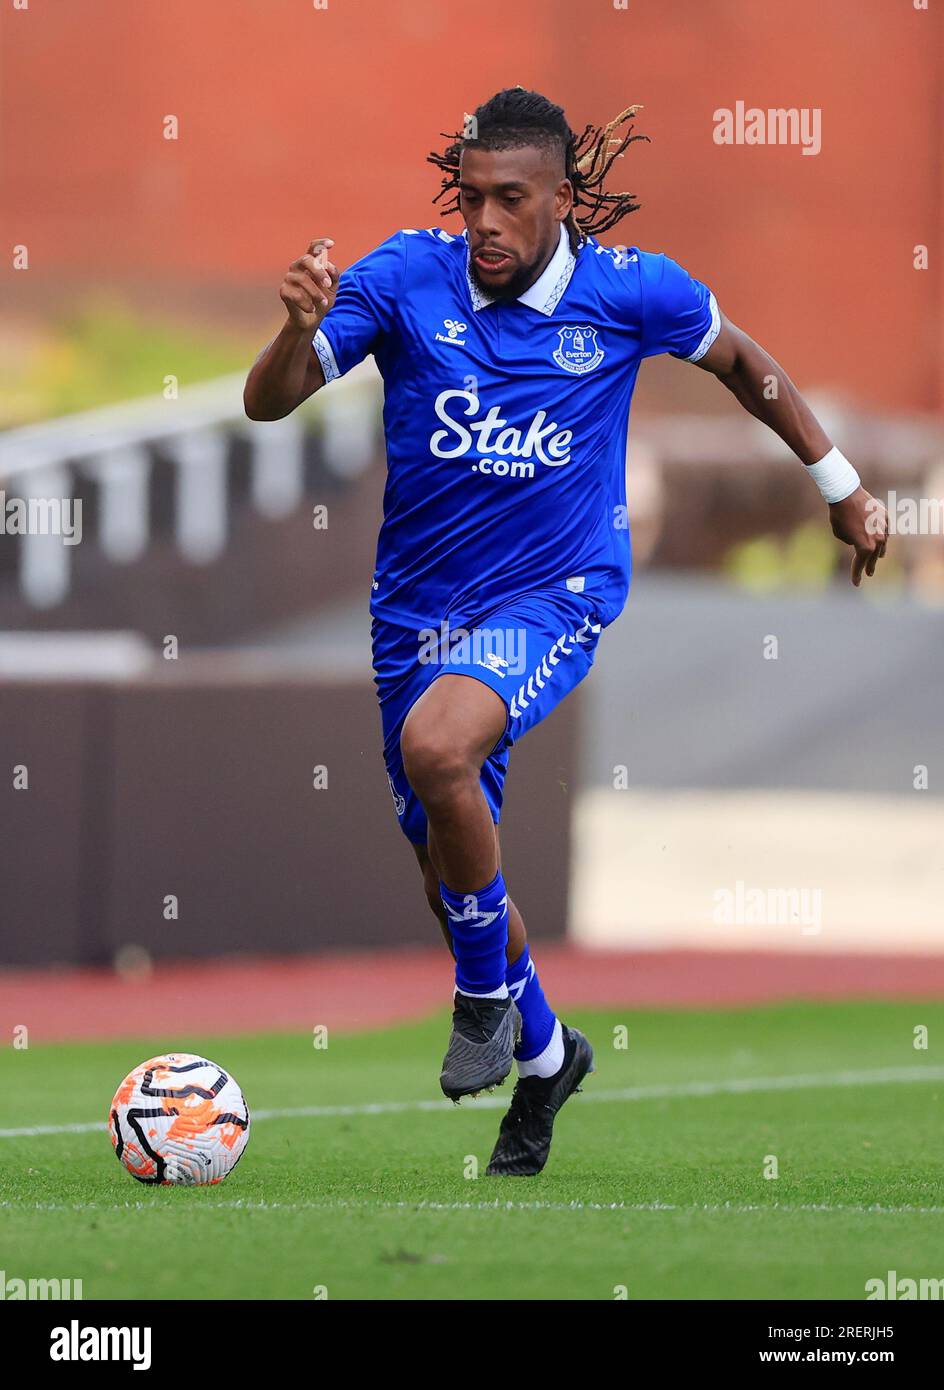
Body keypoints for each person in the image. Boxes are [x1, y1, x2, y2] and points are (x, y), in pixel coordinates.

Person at [244, 87, 888, 1177]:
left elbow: (742, 362)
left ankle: (482, 995)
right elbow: (272, 401)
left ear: (560, 198)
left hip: (555, 590)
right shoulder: (404, 276)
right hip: (414, 607)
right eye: (468, 198)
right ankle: (545, 1061)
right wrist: (296, 329)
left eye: (508, 200)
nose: (482, 222)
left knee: (438, 750)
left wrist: (838, 482)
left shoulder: (632, 293)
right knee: (444, 851)